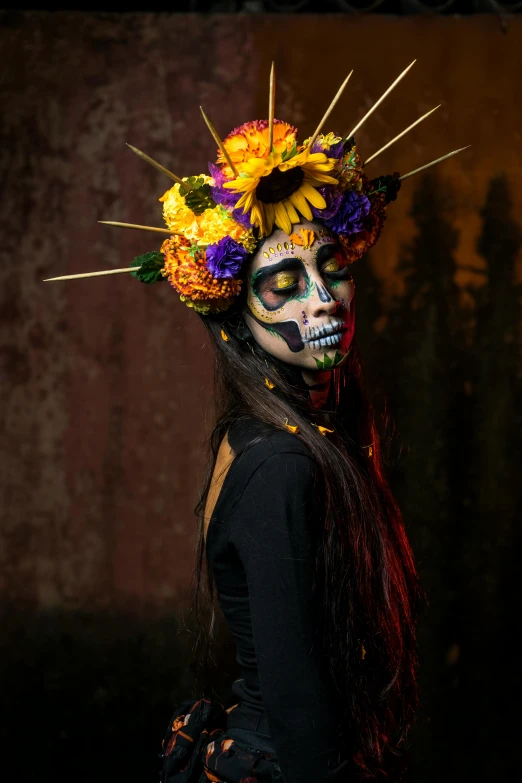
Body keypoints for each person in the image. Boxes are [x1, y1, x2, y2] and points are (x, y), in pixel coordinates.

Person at [45, 62, 466, 783]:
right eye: (282, 283)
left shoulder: (277, 436)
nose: (322, 300)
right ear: (235, 315)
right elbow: (301, 710)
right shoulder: (280, 464)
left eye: (331, 268)